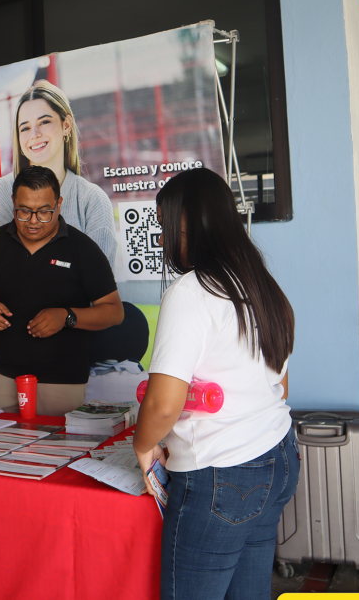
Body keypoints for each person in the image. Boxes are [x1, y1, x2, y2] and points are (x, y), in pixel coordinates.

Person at [132, 168, 299, 600]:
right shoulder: (261, 283)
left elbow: (163, 405)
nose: (164, 237)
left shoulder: (192, 291)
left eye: (164, 226)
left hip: (223, 476)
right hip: (278, 455)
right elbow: (280, 384)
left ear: (184, 225)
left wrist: (143, 445)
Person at [0, 80, 148, 365]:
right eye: (25, 127)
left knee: (133, 323)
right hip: (21, 320)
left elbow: (97, 290)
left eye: (45, 122)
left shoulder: (92, 198)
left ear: (66, 125)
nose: (35, 134)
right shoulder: (2, 191)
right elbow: (1, 273)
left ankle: (37, 354)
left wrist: (62, 315)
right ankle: (42, 352)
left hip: (71, 321)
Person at [0, 166, 124, 415]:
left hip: (62, 379)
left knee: (59, 451)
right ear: (13, 203)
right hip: (4, 374)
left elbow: (114, 311)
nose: (34, 221)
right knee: (1, 446)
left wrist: (66, 317)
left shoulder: (82, 249)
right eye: (24, 211)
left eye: (44, 212)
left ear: (59, 204)